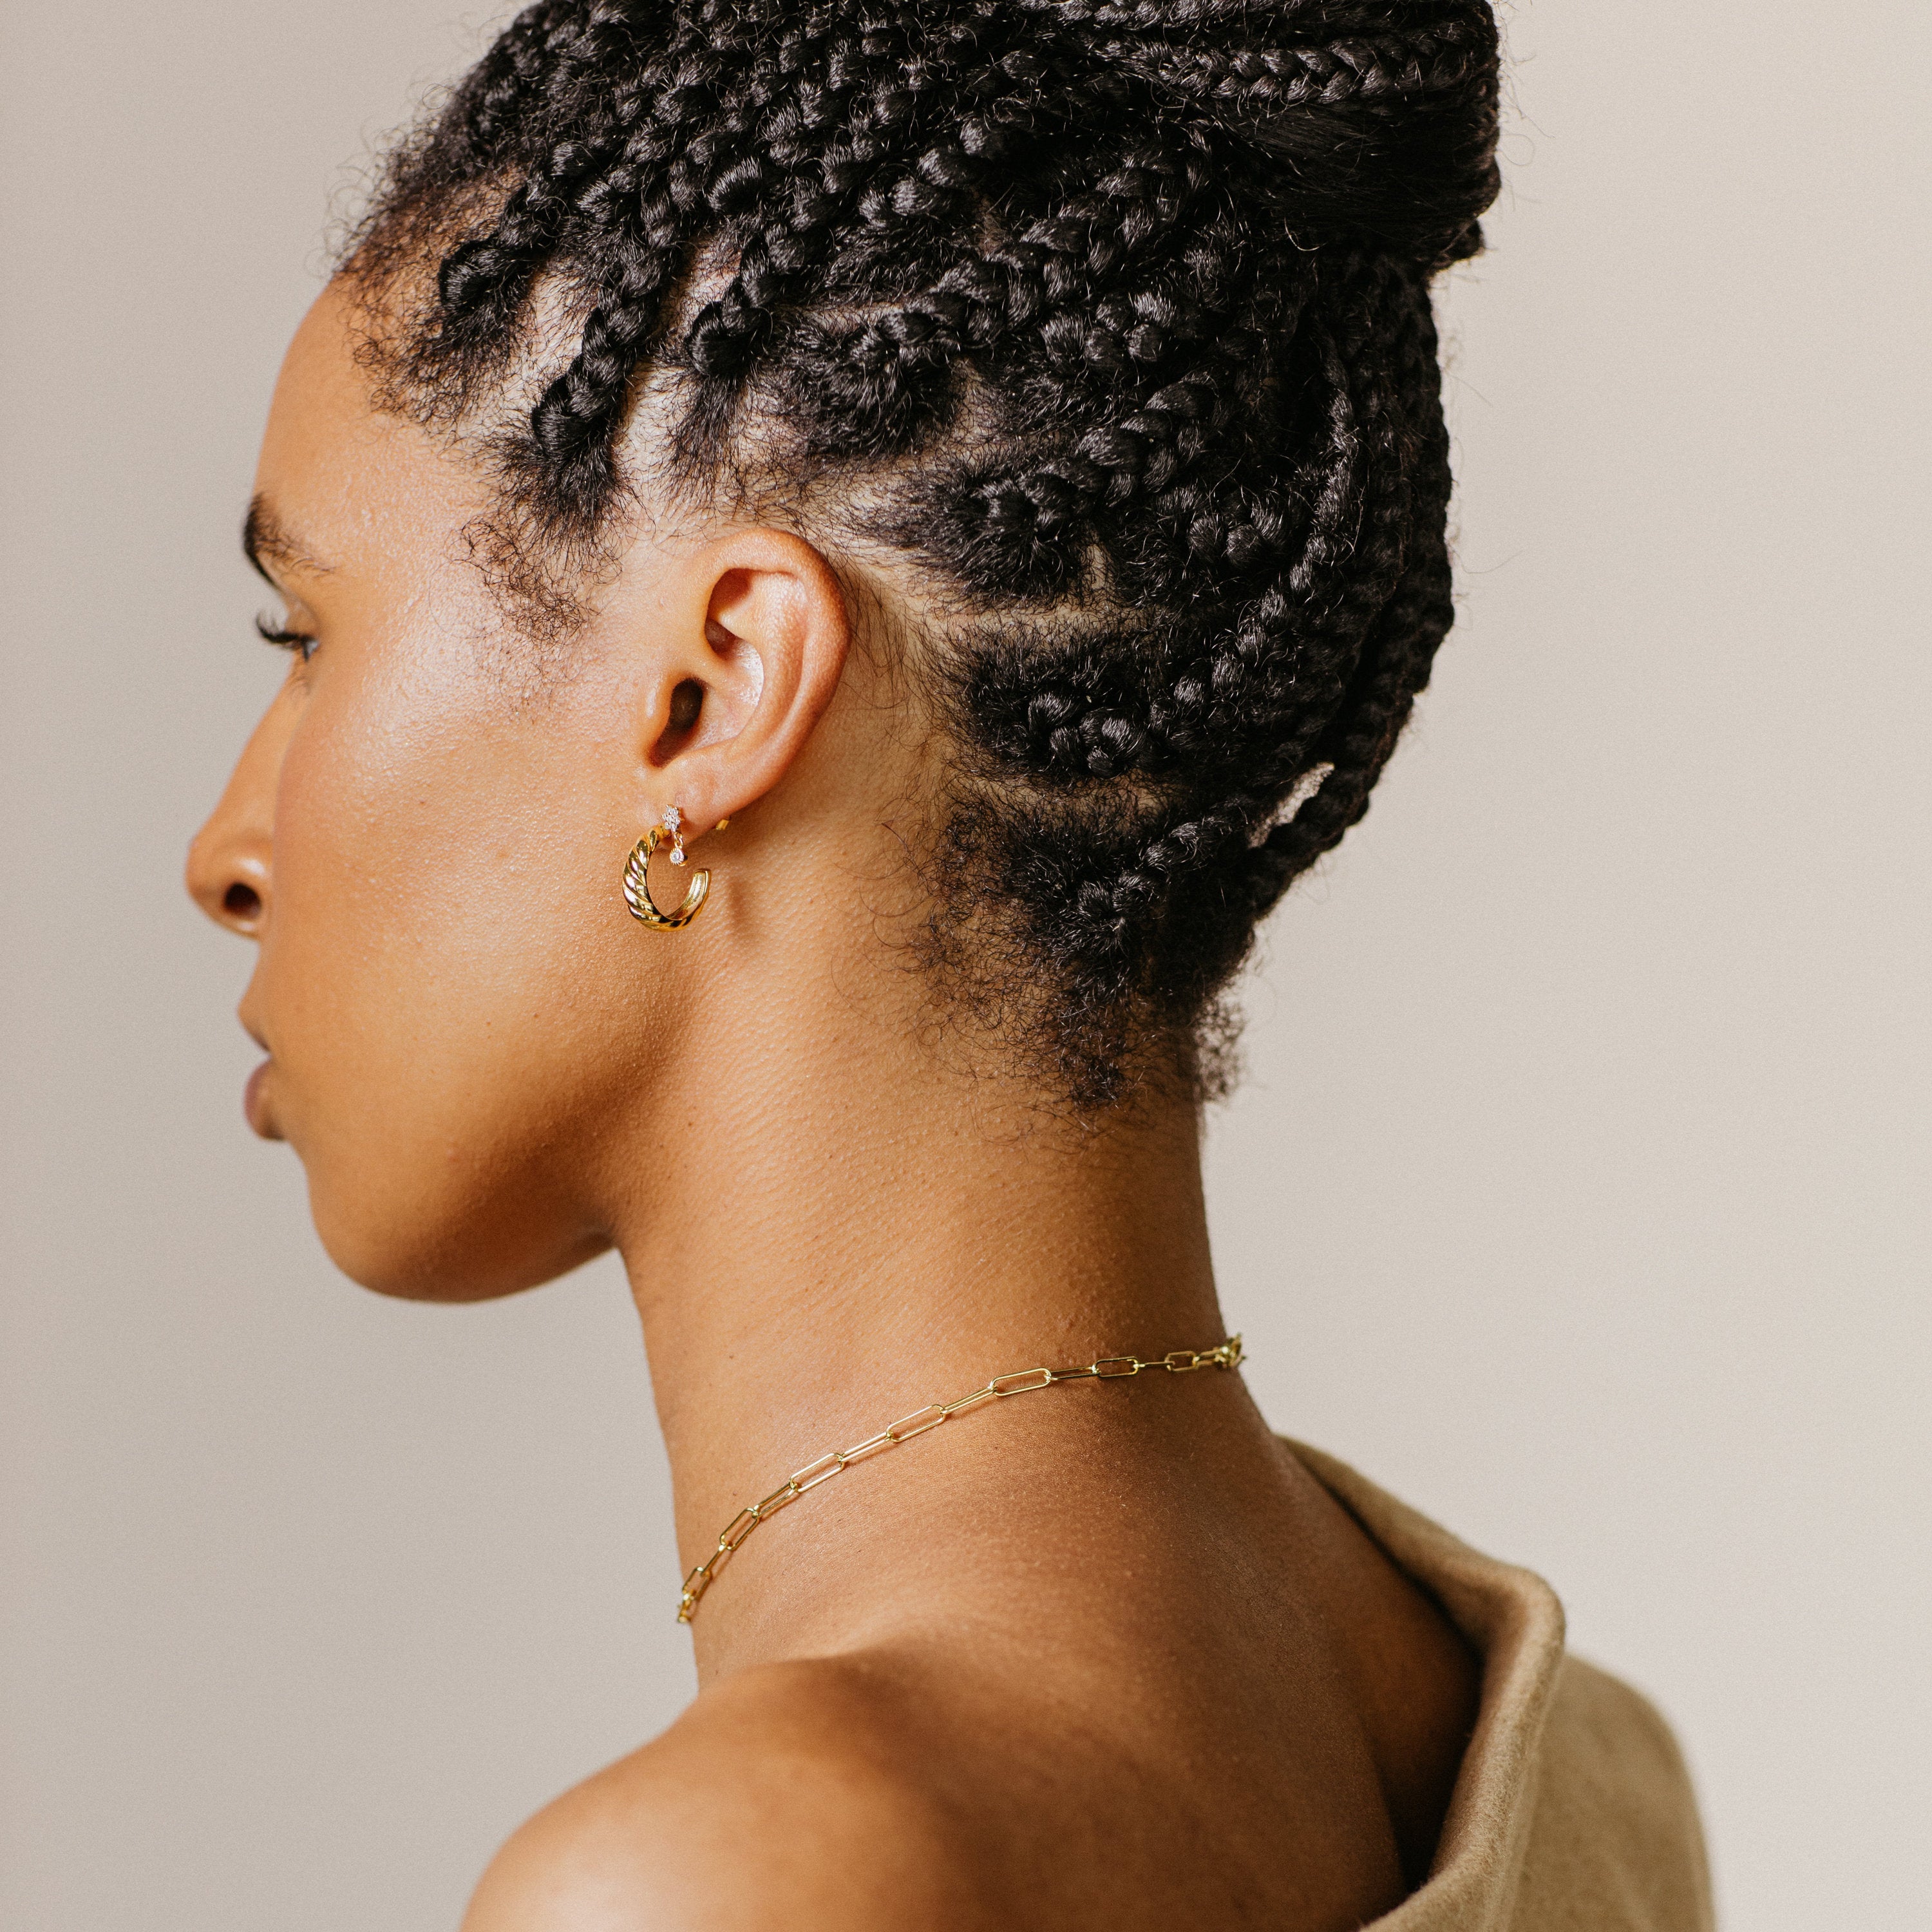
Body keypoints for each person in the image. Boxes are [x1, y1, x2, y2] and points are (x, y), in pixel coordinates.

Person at [185, 3, 1712, 1925]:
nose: (224, 855)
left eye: (300, 636)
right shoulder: (1561, 1748)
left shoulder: (725, 1885)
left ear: (713, 692)